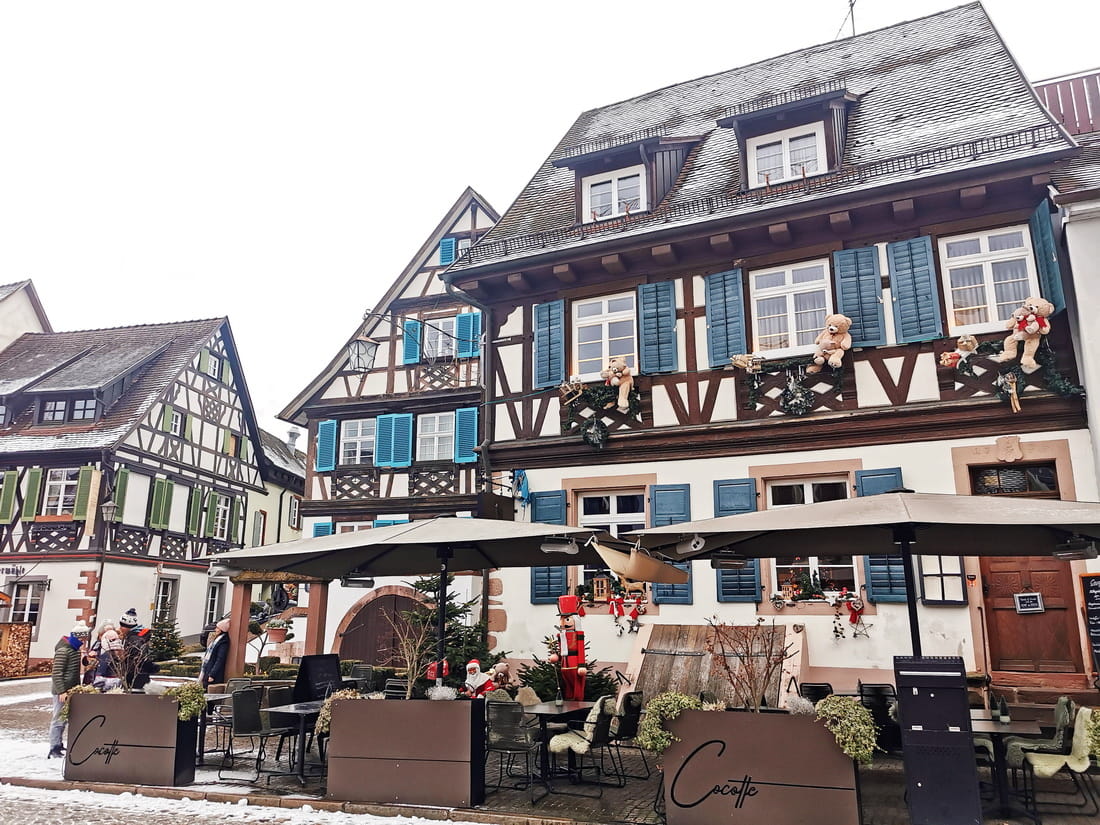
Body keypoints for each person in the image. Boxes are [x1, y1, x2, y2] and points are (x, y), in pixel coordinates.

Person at [49, 621, 90, 758]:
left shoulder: (74, 650)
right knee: (58, 719)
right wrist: (61, 691)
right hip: (62, 692)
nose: (84, 642)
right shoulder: (63, 651)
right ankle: (54, 747)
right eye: (82, 639)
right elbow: (57, 673)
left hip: (70, 690)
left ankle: (59, 745)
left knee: (64, 719)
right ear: (77, 637)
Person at [117, 607, 158, 690]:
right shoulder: (137, 637)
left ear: (127, 626)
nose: (120, 628)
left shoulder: (133, 639)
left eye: (122, 625)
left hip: (135, 678)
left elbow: (137, 658)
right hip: (140, 676)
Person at [199, 618, 230, 687]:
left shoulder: (223, 642)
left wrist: (212, 674)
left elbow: (220, 659)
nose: (215, 629)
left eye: (217, 628)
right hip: (208, 669)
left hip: (212, 674)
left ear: (222, 629)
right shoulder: (217, 639)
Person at [94, 623, 124, 691]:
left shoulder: (106, 656)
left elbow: (99, 679)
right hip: (117, 689)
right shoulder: (120, 655)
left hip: (107, 690)